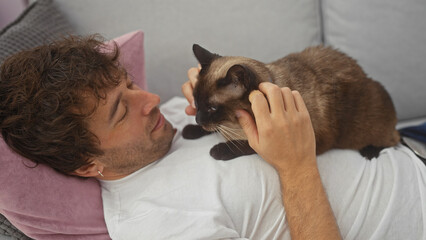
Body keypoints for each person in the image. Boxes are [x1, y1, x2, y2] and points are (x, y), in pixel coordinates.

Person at [0, 35, 425, 239]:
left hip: (408, 147)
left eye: (129, 84)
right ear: (88, 165)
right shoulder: (157, 225)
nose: (149, 98)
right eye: (120, 109)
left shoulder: (162, 121)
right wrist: (296, 168)